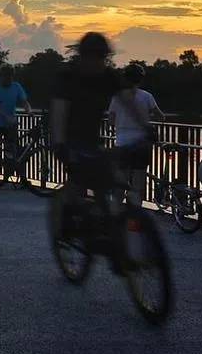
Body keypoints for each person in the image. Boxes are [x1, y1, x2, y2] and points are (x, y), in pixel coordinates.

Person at [50, 32, 155, 271]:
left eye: (103, 58)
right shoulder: (67, 77)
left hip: (91, 138)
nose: (100, 63)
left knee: (109, 182)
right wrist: (60, 144)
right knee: (78, 180)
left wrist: (146, 128)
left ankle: (112, 239)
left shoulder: (107, 77)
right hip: (66, 137)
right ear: (83, 56)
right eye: (96, 58)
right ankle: (66, 229)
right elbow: (59, 111)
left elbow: (127, 100)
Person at [107, 63, 164, 205]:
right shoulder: (147, 97)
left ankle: (117, 213)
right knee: (137, 185)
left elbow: (111, 121)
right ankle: (135, 216)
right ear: (140, 79)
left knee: (120, 183)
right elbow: (160, 116)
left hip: (122, 144)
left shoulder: (117, 97)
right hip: (142, 145)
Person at [0, 63, 32, 174]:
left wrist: (29, 111)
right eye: (6, 77)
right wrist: (6, 117)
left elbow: (25, 101)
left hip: (11, 124)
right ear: (1, 76)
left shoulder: (16, 86)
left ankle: (12, 172)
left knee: (13, 148)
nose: (8, 79)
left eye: (10, 77)